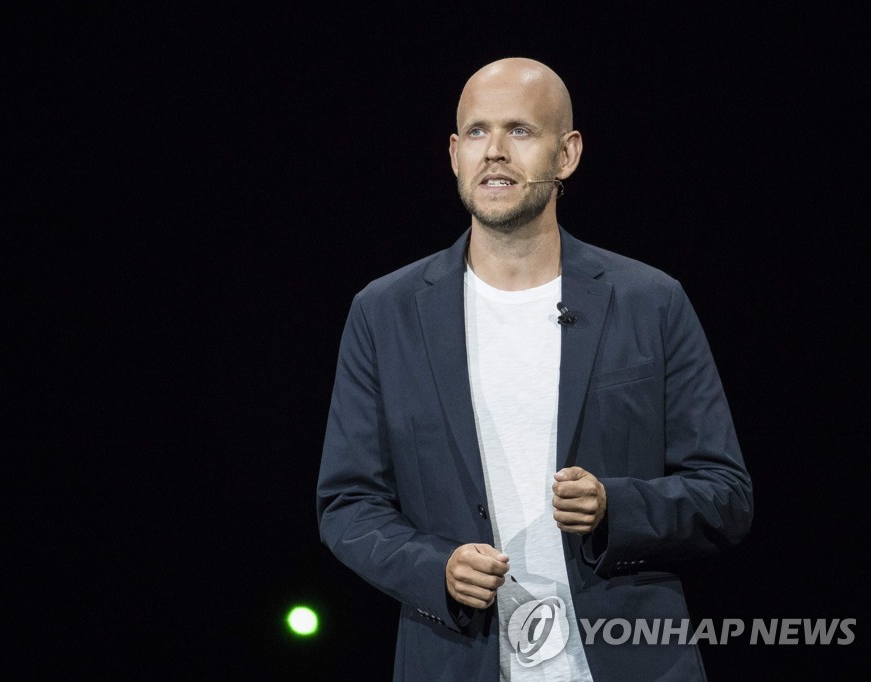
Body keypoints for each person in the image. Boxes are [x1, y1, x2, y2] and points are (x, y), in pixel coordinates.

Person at [315, 57, 753, 681]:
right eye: (477, 131)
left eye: (519, 130)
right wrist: (436, 569)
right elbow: (348, 504)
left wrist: (615, 507)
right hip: (457, 660)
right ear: (454, 154)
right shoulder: (384, 313)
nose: (494, 150)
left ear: (566, 154)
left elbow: (726, 494)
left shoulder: (650, 301)